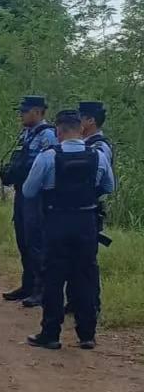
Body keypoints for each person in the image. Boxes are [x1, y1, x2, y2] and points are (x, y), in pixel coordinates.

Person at [22, 109, 114, 351]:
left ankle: (50, 334)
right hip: (86, 223)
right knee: (84, 277)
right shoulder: (97, 155)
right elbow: (109, 186)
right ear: (80, 129)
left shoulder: (47, 156)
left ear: (58, 130)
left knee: (53, 277)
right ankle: (87, 335)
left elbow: (28, 191)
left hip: (57, 222)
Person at [0, 96, 58, 307]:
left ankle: (41, 290)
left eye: (25, 111)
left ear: (37, 112)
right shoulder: (26, 133)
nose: (21, 115)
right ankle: (28, 285)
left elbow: (47, 167)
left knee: (36, 243)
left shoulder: (48, 136)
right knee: (23, 240)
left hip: (38, 195)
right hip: (22, 192)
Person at [64, 100, 114, 315]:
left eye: (81, 118)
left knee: (86, 264)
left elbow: (106, 185)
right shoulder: (85, 145)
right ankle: (75, 302)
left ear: (91, 120)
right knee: (72, 261)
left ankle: (92, 305)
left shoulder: (99, 147)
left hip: (89, 209)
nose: (78, 122)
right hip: (76, 211)